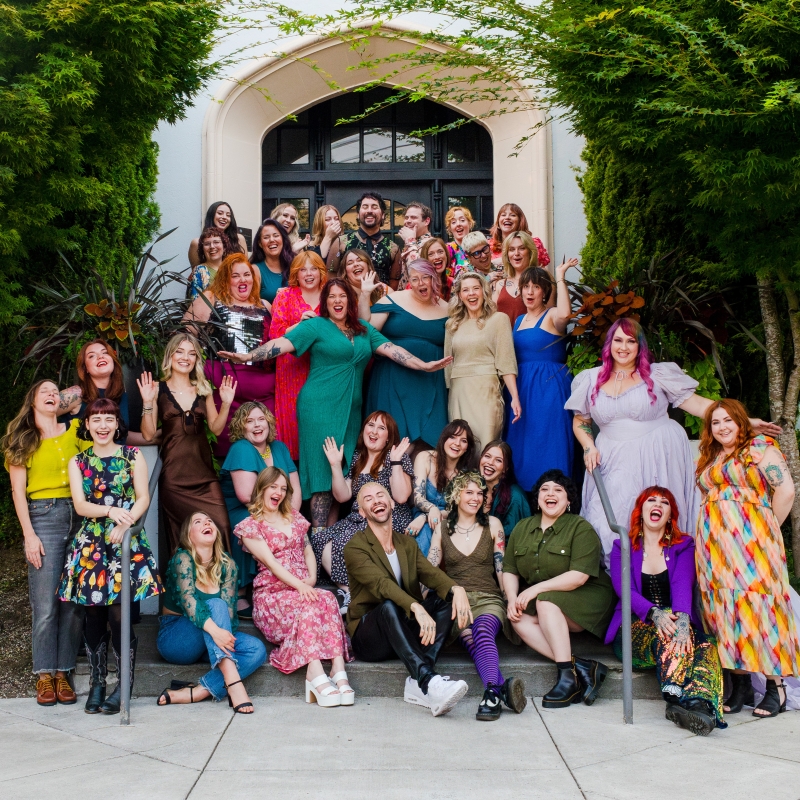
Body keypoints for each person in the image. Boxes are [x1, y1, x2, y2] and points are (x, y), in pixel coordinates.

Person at [218, 278, 451, 532]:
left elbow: (392, 349)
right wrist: (249, 355)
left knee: (342, 472)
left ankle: (331, 536)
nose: (337, 301)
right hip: (319, 407)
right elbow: (281, 345)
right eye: (331, 297)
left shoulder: (363, 329)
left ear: (350, 301)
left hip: (351, 412)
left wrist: (425, 365)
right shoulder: (316, 326)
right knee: (322, 475)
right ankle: (318, 540)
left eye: (342, 296)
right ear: (324, 303)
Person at [566, 318, 781, 564]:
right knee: (605, 521)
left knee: (656, 520)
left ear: (640, 347)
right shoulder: (591, 379)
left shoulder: (656, 375)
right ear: (609, 344)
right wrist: (588, 445)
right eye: (618, 340)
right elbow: (580, 421)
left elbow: (699, 405)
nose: (623, 347)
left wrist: (744, 419)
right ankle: (617, 589)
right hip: (610, 456)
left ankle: (662, 583)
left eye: (631, 341)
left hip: (658, 453)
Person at [695, 399, 800, 718]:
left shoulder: (760, 448)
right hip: (714, 549)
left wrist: (765, 532)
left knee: (762, 609)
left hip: (753, 546)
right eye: (715, 422)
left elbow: (786, 492)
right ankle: (739, 687)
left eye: (728, 420)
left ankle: (775, 688)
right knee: (723, 612)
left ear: (742, 422)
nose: (722, 427)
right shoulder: (710, 456)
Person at [59, 398, 160, 714]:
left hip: (125, 543)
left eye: (109, 418)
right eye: (96, 419)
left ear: (118, 424)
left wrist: (125, 522)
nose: (103, 425)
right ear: (86, 425)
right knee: (93, 616)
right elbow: (81, 505)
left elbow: (143, 497)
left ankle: (123, 687)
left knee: (121, 617)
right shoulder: (79, 461)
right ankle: (98, 683)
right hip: (91, 546)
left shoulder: (132, 456)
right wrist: (111, 511)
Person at [344, 482, 473, 716]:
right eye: (369, 499)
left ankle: (420, 678)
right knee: (388, 606)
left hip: (402, 627)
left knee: (444, 599)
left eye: (381, 495)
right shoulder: (355, 547)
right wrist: (416, 607)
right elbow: (381, 585)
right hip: (370, 637)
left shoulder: (406, 543)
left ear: (392, 502)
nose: (377, 501)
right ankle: (428, 681)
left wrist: (457, 590)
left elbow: (431, 574)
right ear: (362, 512)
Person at [607, 487, 725, 734]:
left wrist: (682, 622)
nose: (657, 504)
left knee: (706, 645)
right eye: (651, 500)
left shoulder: (683, 545)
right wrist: (654, 614)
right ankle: (676, 694)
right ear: (641, 510)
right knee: (670, 630)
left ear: (671, 513)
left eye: (664, 502)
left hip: (674, 622)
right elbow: (623, 589)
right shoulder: (622, 546)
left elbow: (683, 583)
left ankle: (697, 705)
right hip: (631, 630)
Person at [236, 468, 353, 706]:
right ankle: (315, 672)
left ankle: (338, 670)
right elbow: (270, 562)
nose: (278, 492)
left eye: (282, 488)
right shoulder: (251, 526)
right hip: (273, 596)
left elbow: (307, 549)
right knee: (308, 604)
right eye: (273, 487)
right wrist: (300, 586)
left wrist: (310, 579)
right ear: (262, 489)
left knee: (328, 599)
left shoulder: (294, 517)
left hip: (302, 587)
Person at [3, 380, 84, 706]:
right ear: (31, 401)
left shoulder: (76, 430)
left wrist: (53, 403)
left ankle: (63, 672)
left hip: (79, 517)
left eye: (55, 391)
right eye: (44, 392)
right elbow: (17, 493)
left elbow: (79, 392)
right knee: (46, 605)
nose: (53, 395)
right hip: (43, 518)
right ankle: (45, 675)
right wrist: (29, 535)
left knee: (72, 603)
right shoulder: (22, 440)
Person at [504, 470, 615, 709]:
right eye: (544, 489)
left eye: (558, 490)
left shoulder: (580, 527)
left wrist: (534, 591)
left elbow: (578, 576)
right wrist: (512, 598)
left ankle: (567, 678)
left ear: (569, 500)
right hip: (548, 599)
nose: (550, 494)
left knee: (545, 601)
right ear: (537, 498)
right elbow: (510, 570)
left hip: (588, 596)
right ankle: (581, 666)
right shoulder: (523, 528)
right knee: (517, 617)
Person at [427, 471, 527, 721]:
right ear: (457, 495)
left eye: (480, 493)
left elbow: (501, 567)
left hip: (488, 598)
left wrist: (509, 598)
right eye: (469, 492)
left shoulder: (492, 524)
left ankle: (491, 692)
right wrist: (416, 604)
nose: (475, 498)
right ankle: (501, 687)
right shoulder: (442, 525)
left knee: (482, 631)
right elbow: (430, 568)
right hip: (455, 602)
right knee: (468, 636)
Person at [156, 512, 266, 712]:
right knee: (215, 605)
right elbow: (191, 606)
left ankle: (199, 691)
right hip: (177, 639)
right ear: (189, 535)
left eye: (209, 520)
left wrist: (216, 634)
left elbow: (229, 620)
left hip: (210, 644)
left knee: (256, 649)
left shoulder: (228, 565)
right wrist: (216, 632)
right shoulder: (183, 559)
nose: (207, 522)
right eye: (197, 522)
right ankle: (234, 685)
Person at [137, 333, 234, 553]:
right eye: (179, 351)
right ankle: (184, 586)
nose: (185, 357)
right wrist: (147, 401)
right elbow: (148, 434)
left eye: (191, 353)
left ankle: (225, 584)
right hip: (174, 478)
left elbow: (216, 429)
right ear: (170, 356)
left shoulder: (203, 388)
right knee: (183, 536)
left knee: (222, 526)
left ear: (196, 360)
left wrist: (226, 404)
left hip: (205, 476)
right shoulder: (157, 389)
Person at [314, 412, 414, 610]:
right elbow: (343, 496)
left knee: (347, 541)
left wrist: (395, 462)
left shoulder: (396, 458)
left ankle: (363, 593)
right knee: (319, 540)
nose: (374, 431)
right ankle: (351, 591)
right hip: (358, 518)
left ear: (388, 437)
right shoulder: (358, 458)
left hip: (387, 519)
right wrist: (335, 465)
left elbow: (402, 497)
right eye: (371, 425)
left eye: (382, 428)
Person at [184, 254, 274, 456]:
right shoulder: (210, 299)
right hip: (223, 392)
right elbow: (185, 337)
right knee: (225, 450)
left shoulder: (266, 306)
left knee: (265, 451)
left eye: (247, 274)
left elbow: (278, 342)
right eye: (236, 276)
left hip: (263, 394)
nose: (243, 280)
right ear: (225, 278)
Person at [219, 402, 300, 617]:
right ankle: (241, 592)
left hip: (275, 509)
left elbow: (294, 488)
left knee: (297, 527)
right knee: (252, 524)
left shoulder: (280, 448)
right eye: (249, 421)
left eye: (261, 419)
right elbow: (247, 495)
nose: (256, 425)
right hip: (243, 510)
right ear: (241, 427)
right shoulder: (242, 449)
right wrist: (276, 518)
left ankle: (283, 585)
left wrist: (291, 517)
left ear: (269, 422)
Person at [363, 259, 449, 451]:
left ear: (434, 278)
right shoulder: (393, 300)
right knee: (393, 440)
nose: (421, 283)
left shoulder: (448, 309)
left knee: (426, 445)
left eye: (425, 277)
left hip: (430, 383)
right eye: (415, 279)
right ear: (408, 280)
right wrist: (364, 295)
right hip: (393, 378)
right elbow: (367, 334)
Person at [507, 263, 575, 489]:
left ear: (544, 291)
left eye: (535, 287)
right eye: (525, 286)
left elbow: (566, 314)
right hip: (522, 389)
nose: (529, 292)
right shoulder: (518, 321)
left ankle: (555, 492)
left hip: (549, 388)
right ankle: (526, 497)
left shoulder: (552, 314)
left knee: (550, 439)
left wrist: (560, 277)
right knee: (523, 443)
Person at [444, 272, 520, 450]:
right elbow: (448, 365)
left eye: (476, 288)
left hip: (487, 392)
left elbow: (506, 361)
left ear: (484, 292)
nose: (471, 293)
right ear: (460, 296)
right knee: (460, 447)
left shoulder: (499, 319)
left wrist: (515, 397)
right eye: (466, 290)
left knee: (486, 445)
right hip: (459, 393)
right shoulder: (451, 325)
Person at [268, 251, 327, 460]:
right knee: (292, 424)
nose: (309, 274)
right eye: (303, 269)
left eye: (314, 269)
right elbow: (274, 334)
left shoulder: (330, 295)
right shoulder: (285, 295)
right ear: (296, 273)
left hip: (321, 369)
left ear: (321, 272)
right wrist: (300, 325)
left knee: (319, 423)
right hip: (291, 369)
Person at [59, 338, 148, 446]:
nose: (100, 356)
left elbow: (119, 435)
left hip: (117, 460)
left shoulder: (121, 395)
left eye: (105, 353)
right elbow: (38, 412)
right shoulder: (76, 393)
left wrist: (157, 437)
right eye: (92, 356)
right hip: (84, 461)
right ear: (85, 368)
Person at [408, 420, 478, 556]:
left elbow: (458, 509)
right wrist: (431, 510)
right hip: (421, 514)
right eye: (452, 437)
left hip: (449, 519)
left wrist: (427, 517)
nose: (457, 443)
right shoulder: (425, 457)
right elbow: (418, 497)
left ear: (467, 448)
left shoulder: (467, 473)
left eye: (463, 440)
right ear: (444, 439)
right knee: (425, 532)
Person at [328, 192, 402, 287]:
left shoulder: (393, 248)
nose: (369, 211)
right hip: (350, 299)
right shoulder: (341, 242)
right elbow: (331, 276)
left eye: (374, 207)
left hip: (380, 300)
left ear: (383, 215)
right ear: (358, 215)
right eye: (365, 207)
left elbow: (394, 282)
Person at [479, 440, 531, 541]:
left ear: (505, 468)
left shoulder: (515, 496)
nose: (490, 462)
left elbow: (514, 538)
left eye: (498, 460)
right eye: (487, 456)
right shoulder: (472, 488)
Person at [492, 231, 544, 325]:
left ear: (530, 251)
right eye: (511, 249)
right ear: (507, 255)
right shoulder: (500, 284)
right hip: (503, 339)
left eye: (522, 248)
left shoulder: (542, 280)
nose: (516, 253)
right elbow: (490, 319)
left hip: (529, 338)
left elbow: (550, 318)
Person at [488, 203, 549, 268]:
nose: (507, 217)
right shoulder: (488, 246)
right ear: (498, 222)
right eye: (503, 215)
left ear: (520, 221)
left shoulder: (533, 243)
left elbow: (539, 270)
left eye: (513, 215)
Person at [188, 201, 247, 269]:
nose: (224, 217)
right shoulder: (197, 243)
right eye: (220, 213)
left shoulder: (239, 239)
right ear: (211, 215)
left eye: (228, 215)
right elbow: (196, 273)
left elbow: (245, 268)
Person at [250, 219, 294, 303]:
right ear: (260, 243)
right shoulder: (255, 270)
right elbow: (251, 304)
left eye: (276, 235)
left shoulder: (295, 265)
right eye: (266, 237)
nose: (271, 240)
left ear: (283, 239)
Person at [341, 248, 388, 317]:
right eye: (350, 263)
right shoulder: (340, 293)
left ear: (368, 265)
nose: (355, 264)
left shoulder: (383, 290)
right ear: (345, 272)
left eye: (360, 260)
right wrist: (365, 294)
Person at [188, 227, 232, 300]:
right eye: (207, 244)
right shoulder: (199, 271)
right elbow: (194, 304)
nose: (212, 246)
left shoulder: (231, 269)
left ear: (224, 247)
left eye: (216, 242)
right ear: (203, 249)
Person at [397, 202, 433, 286]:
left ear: (426, 221)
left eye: (413, 217)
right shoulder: (410, 242)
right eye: (406, 217)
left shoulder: (432, 244)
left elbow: (417, 270)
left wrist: (410, 241)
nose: (408, 221)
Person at [444, 206, 474, 274]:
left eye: (462, 220)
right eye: (453, 222)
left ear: (469, 223)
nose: (458, 224)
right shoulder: (447, 250)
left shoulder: (478, 247)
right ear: (450, 228)